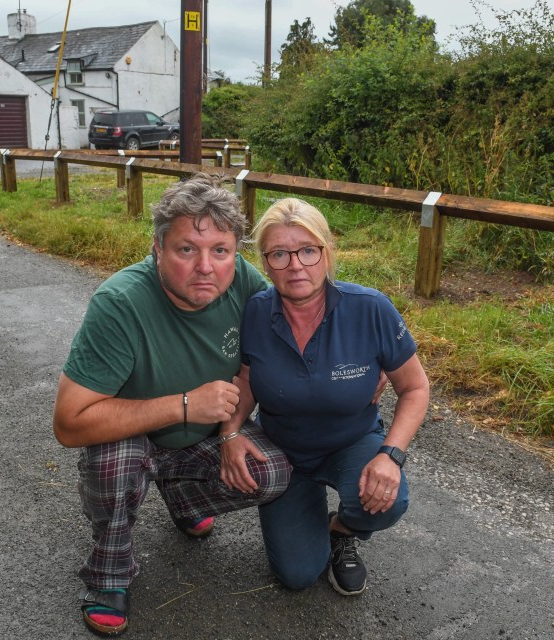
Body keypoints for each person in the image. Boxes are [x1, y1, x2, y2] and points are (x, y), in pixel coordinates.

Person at [52, 174, 292, 637]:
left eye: (220, 251)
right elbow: (69, 423)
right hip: (129, 441)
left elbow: (256, 361)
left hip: (202, 436)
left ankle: (178, 494)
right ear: (158, 248)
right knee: (115, 465)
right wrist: (184, 405)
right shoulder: (120, 303)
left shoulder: (243, 280)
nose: (206, 267)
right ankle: (110, 571)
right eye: (187, 250)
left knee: (272, 472)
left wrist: (231, 432)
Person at [221, 197, 431, 597]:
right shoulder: (254, 313)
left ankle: (343, 530)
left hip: (351, 442)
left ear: (327, 252)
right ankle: (307, 518)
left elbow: (415, 388)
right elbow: (245, 381)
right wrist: (230, 434)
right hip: (283, 453)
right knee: (298, 575)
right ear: (265, 263)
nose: (295, 265)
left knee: (389, 499)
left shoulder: (370, 308)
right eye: (279, 253)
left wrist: (391, 456)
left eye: (307, 250)